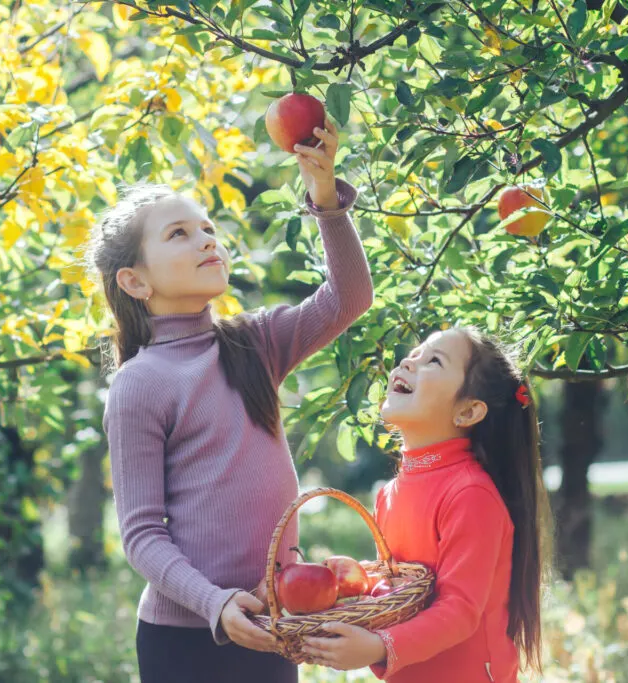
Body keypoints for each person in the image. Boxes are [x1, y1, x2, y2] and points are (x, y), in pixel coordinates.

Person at [87, 120, 373, 683]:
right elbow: (142, 535)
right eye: (179, 235)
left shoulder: (253, 342)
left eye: (208, 228)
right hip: (185, 641)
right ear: (136, 282)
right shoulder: (139, 383)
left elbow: (349, 297)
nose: (207, 241)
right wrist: (215, 603)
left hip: (271, 622)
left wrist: (325, 199)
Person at [302, 326, 549, 682]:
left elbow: (460, 610)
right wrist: (344, 586)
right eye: (415, 352)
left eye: (433, 360)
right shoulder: (390, 494)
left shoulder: (470, 494)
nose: (408, 361)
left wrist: (378, 646)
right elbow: (401, 587)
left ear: (467, 412)